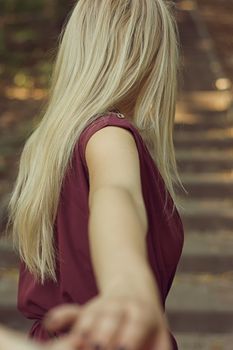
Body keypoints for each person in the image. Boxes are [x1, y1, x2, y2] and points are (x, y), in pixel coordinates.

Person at [5, 0, 185, 349]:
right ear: (148, 58)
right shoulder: (110, 134)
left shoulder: (52, 144)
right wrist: (126, 283)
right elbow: (118, 194)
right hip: (111, 338)